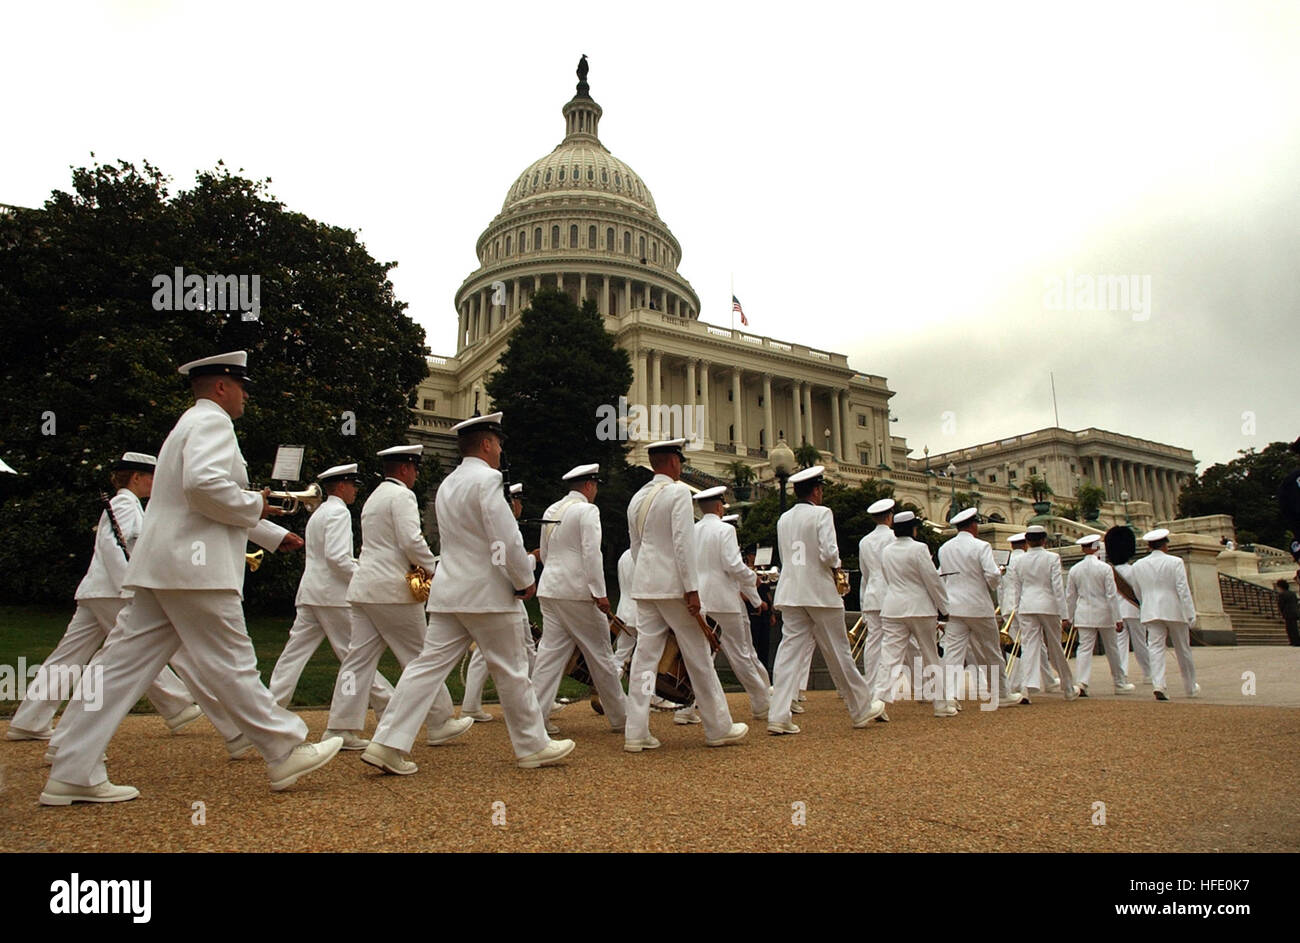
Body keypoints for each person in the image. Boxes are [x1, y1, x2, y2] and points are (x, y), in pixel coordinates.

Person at [39, 351, 340, 805]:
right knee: (232, 663)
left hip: (164, 566)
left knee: (116, 669)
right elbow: (205, 489)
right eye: (241, 387)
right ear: (221, 386)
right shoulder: (214, 424)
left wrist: (271, 530)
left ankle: (72, 766)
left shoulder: (186, 426)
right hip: (196, 571)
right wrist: (254, 505)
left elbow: (199, 496)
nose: (245, 396)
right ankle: (284, 749)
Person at [361, 413, 572, 772]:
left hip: (449, 592)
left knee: (425, 668)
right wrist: (523, 577)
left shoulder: (448, 483)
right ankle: (532, 746)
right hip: (486, 593)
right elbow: (504, 537)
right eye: (498, 443)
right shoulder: (488, 480)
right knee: (512, 669)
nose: (500, 449)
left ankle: (387, 742)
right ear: (487, 444)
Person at [7, 452, 201, 742]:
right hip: (113, 590)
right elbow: (113, 546)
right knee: (133, 651)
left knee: (68, 658)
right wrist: (130, 586)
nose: (155, 483)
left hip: (97, 590)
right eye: (152, 477)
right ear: (137, 477)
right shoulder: (125, 503)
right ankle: (176, 704)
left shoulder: (125, 504)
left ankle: (29, 720)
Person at [323, 445, 469, 749]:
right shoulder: (402, 496)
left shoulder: (374, 497)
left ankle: (340, 728)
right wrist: (433, 568)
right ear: (405, 469)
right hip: (392, 592)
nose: (415, 474)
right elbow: (411, 540)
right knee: (421, 656)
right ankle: (439, 721)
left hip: (365, 588)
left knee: (357, 661)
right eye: (414, 468)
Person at [623, 438, 747, 752]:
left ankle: (635, 730)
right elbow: (682, 543)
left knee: (644, 659)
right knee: (698, 656)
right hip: (673, 587)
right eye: (680, 460)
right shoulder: (677, 492)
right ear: (674, 462)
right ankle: (718, 727)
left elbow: (636, 547)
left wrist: (647, 577)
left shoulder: (637, 498)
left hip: (646, 586)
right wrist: (691, 589)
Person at [267, 463, 393, 724]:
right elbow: (337, 558)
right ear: (342, 486)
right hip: (331, 595)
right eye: (353, 486)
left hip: (311, 592)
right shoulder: (339, 513)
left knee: (293, 656)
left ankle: (270, 708)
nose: (355, 491)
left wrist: (357, 565)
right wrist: (365, 575)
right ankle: (388, 705)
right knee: (355, 656)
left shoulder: (321, 512)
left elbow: (328, 558)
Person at [768, 466, 885, 734]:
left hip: (792, 591)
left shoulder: (783, 518)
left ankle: (778, 714)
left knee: (789, 653)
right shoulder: (822, 514)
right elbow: (829, 553)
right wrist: (837, 569)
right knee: (839, 651)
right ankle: (860, 708)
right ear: (817, 491)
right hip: (819, 591)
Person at [530, 463, 627, 733]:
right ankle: (621, 717)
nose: (595, 491)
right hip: (578, 592)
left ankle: (535, 718)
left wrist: (554, 576)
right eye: (595, 486)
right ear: (588, 486)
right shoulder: (588, 510)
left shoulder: (552, 509)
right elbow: (591, 553)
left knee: (549, 656)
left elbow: (546, 553)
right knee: (602, 655)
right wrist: (600, 593)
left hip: (550, 588)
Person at [460, 482, 542, 721]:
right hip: (502, 592)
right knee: (515, 650)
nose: (520, 506)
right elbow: (505, 560)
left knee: (515, 648)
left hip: (493, 591)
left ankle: (536, 698)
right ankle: (533, 703)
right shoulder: (502, 524)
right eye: (518, 500)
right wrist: (532, 561)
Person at [693, 487, 770, 720]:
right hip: (723, 599)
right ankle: (761, 702)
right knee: (740, 654)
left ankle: (688, 707)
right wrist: (752, 578)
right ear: (719, 506)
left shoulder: (692, 531)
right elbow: (733, 565)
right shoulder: (725, 529)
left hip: (701, 599)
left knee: (701, 657)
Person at [937, 508, 1019, 708]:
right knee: (991, 650)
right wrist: (998, 574)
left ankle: (947, 697)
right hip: (978, 607)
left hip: (954, 607)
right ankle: (1001, 693)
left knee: (953, 654)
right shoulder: (981, 546)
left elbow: (941, 575)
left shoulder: (945, 548)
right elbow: (991, 576)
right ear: (973, 525)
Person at [877, 510, 953, 716]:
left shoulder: (886, 551)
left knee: (890, 658)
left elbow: (887, 578)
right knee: (930, 655)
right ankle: (941, 705)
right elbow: (932, 580)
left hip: (893, 608)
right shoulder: (920, 549)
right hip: (920, 608)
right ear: (913, 529)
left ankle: (877, 702)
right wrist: (944, 608)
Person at [1001, 525, 1079, 701]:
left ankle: (1026, 689)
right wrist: (1065, 614)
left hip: (1026, 606)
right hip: (1048, 605)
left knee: (1029, 647)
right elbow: (1058, 588)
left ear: (1027, 541)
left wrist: (1017, 608)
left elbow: (1017, 587)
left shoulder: (1019, 561)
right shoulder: (1052, 557)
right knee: (1055, 646)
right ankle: (1067, 688)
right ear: (1044, 540)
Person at [1130, 528, 1199, 700]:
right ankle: (1190, 686)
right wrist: (1190, 613)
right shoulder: (1175, 562)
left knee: (1155, 648)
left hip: (1151, 609)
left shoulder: (1138, 565)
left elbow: (1137, 591)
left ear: (1149, 546)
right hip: (1173, 608)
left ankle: (1159, 684)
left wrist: (1145, 604)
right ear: (1165, 545)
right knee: (1183, 648)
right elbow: (1183, 589)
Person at [1067, 534, 1134, 695]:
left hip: (1083, 613)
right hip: (1104, 612)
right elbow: (1111, 595)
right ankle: (1119, 682)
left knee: (1084, 649)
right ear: (1097, 547)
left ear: (1083, 549)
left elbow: (1070, 596)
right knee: (1112, 649)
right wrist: (1117, 617)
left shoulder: (1074, 569)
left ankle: (1082, 682)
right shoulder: (1105, 568)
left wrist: (1068, 617)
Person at [857, 498, 897, 715]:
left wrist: (864, 603)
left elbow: (865, 573)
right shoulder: (893, 538)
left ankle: (870, 690)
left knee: (873, 645)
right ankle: (881, 695)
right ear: (890, 516)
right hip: (891, 595)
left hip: (872, 594)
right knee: (891, 645)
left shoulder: (864, 541)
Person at [1278, 580, 1300, 646]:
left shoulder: (1282, 594)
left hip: (1288, 613)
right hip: (1295, 612)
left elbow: (1281, 605)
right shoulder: (1292, 593)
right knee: (1294, 628)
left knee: (1290, 628)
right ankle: (1296, 641)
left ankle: (1294, 641)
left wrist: (1281, 612)